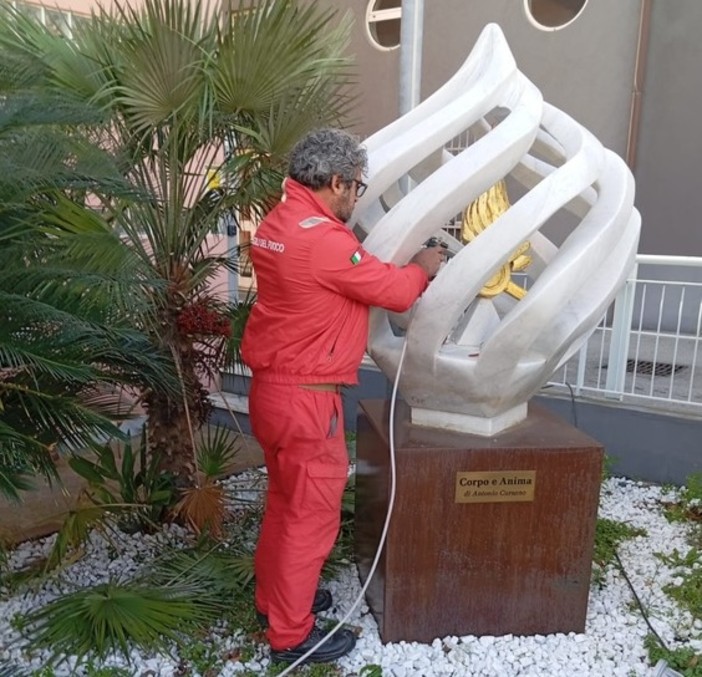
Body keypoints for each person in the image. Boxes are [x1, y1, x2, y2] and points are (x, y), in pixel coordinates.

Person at [241, 128, 445, 665]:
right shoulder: (323, 239)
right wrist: (425, 264)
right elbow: (395, 290)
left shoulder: (278, 222)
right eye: (356, 187)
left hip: (272, 392)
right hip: (308, 399)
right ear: (335, 182)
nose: (357, 197)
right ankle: (290, 635)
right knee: (310, 517)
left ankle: (276, 601)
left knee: (285, 505)